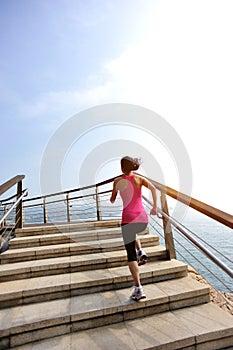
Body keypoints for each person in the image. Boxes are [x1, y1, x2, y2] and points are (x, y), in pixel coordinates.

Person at [110, 156, 158, 301]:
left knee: (130, 255)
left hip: (127, 219)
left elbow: (112, 199)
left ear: (121, 168)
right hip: (142, 220)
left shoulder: (117, 182)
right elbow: (155, 189)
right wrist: (155, 207)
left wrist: (113, 194)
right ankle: (141, 250)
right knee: (133, 233)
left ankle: (138, 289)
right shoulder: (139, 179)